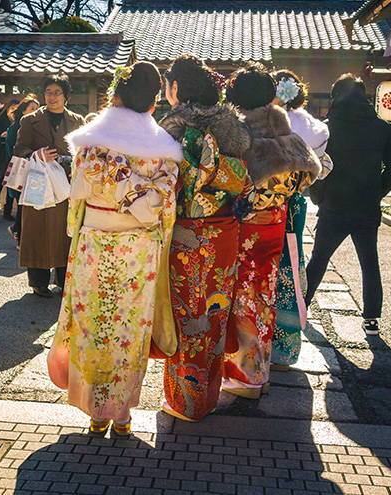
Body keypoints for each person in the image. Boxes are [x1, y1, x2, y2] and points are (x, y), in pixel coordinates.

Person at [54, 61, 180, 435]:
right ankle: (122, 413)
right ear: (153, 104)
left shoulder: (91, 142)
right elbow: (165, 206)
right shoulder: (164, 149)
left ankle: (96, 410)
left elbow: (78, 195)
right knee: (129, 326)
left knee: (94, 323)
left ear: (117, 96)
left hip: (94, 239)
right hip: (139, 246)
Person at [156, 54, 253, 421]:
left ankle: (184, 401)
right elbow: (244, 184)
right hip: (224, 230)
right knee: (213, 312)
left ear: (176, 87)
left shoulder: (172, 128)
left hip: (186, 232)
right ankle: (206, 398)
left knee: (184, 314)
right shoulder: (232, 128)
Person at [223, 62, 321, 399]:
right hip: (275, 227)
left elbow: (233, 186)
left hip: (246, 228)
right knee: (263, 297)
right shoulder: (289, 136)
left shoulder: (240, 138)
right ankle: (258, 372)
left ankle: (244, 376)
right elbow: (306, 176)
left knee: (242, 299)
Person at [303, 74, 391, 336]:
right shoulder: (381, 128)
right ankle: (371, 317)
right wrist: (377, 192)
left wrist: (319, 195)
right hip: (366, 206)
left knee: (319, 259)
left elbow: (314, 166)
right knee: (369, 262)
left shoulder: (327, 128)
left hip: (334, 204)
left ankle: (303, 305)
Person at [270, 70, 330, 369]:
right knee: (291, 268)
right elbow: (324, 165)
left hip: (266, 205)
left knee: (266, 269)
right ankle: (286, 347)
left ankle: (262, 340)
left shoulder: (268, 127)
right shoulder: (313, 130)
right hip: (295, 203)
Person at [13, 75, 85, 297]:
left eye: (57, 92)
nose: (52, 97)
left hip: (67, 184)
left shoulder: (78, 121)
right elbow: (18, 150)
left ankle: (65, 280)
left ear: (66, 96)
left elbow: (85, 151)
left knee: (67, 231)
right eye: (48, 92)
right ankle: (38, 281)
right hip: (39, 183)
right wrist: (36, 154)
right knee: (37, 231)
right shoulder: (29, 120)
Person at [4, 95, 40, 241]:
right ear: (23, 111)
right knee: (22, 204)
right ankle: (18, 234)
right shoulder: (15, 128)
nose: (35, 112)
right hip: (21, 169)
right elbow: (12, 150)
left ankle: (17, 232)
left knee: (26, 204)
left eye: (37, 109)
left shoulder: (37, 127)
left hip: (34, 170)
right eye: (32, 109)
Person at [0, 98, 20, 223]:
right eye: (13, 108)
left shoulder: (19, 123)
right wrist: (1, 136)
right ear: (7, 107)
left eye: (17, 109)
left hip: (13, 157)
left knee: (11, 185)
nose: (14, 111)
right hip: (0, 157)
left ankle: (7, 212)